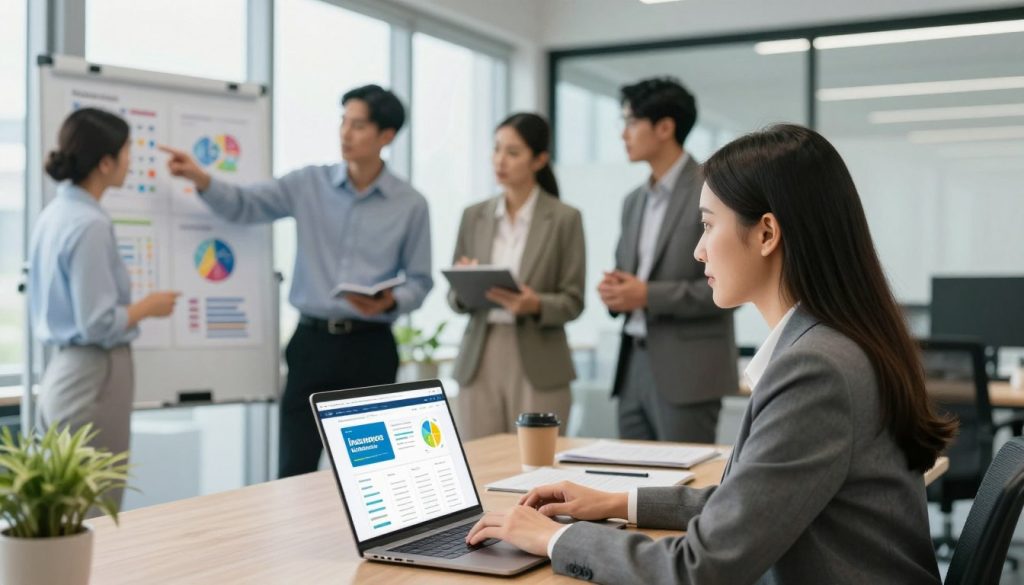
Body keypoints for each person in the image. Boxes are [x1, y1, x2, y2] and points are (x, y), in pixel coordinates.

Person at [465, 124, 956, 584]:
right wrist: (617, 501)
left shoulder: (817, 368)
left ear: (766, 233)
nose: (699, 251)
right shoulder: (835, 342)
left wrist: (554, 537)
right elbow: (751, 504)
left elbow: (698, 569)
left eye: (707, 225)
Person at [161, 85, 432, 478]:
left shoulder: (411, 204)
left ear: (386, 136)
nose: (345, 133)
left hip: (370, 349)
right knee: (295, 467)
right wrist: (201, 179)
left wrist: (391, 302)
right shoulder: (309, 183)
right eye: (343, 122)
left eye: (357, 125)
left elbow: (420, 281)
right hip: (311, 346)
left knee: (373, 472)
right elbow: (245, 204)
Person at [30, 108, 180, 505]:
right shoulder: (90, 224)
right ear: (106, 162)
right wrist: (148, 306)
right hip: (93, 376)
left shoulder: (55, 214)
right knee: (96, 505)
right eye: (128, 150)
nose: (132, 160)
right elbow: (97, 322)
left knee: (66, 511)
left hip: (65, 371)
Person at [598, 77, 737, 444]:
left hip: (689, 371)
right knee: (626, 486)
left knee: (685, 488)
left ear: (664, 127)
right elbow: (630, 277)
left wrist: (646, 295)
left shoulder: (713, 188)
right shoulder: (633, 201)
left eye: (630, 122)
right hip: (632, 366)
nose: (622, 134)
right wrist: (616, 292)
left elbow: (730, 289)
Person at [448, 113, 584, 440]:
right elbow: (453, 297)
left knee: (537, 466)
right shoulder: (473, 215)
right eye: (496, 150)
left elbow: (573, 299)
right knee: (479, 462)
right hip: (481, 353)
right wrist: (463, 285)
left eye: (512, 152)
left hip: (539, 357)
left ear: (539, 160)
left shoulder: (565, 218)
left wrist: (535, 304)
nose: (500, 160)